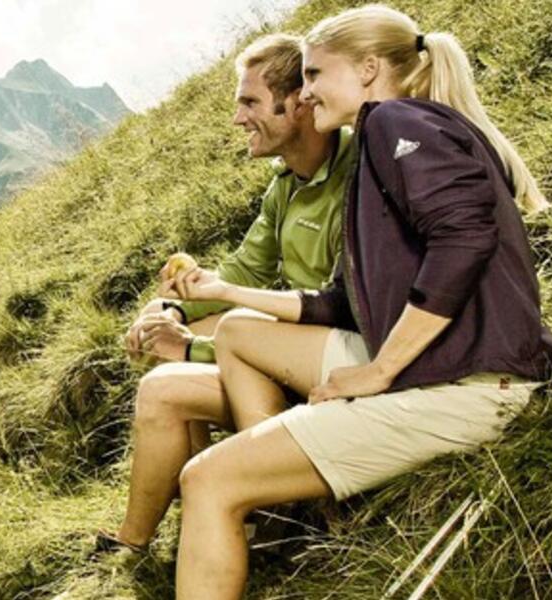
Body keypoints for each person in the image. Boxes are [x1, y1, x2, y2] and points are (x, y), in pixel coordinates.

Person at [163, 5, 552, 598]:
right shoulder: (394, 135)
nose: (306, 92)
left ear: (369, 69)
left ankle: (274, 499)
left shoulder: (395, 122)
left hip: (474, 385)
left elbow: (464, 237)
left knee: (208, 479)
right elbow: (343, 304)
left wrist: (379, 370)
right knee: (240, 331)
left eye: (315, 75)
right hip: (455, 366)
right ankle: (286, 493)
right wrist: (222, 294)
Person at [98, 32, 359, 553]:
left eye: (250, 102)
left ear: (298, 106)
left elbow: (334, 308)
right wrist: (169, 305)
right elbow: (245, 270)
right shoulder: (284, 185)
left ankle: (156, 536)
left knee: (164, 387)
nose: (238, 118)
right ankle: (220, 514)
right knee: (167, 336)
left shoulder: (356, 174)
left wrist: (192, 348)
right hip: (286, 347)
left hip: (332, 361)